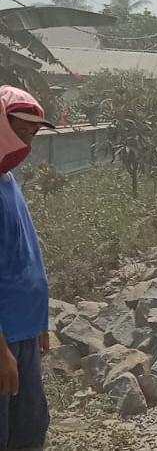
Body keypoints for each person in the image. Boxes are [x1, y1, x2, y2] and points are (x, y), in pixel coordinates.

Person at [0, 85, 56, 450]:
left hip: (24, 330)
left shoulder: (8, 179)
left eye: (33, 135)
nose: (27, 144)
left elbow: (24, 254)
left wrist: (39, 324)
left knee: (30, 428)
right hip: (4, 337)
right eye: (20, 132)